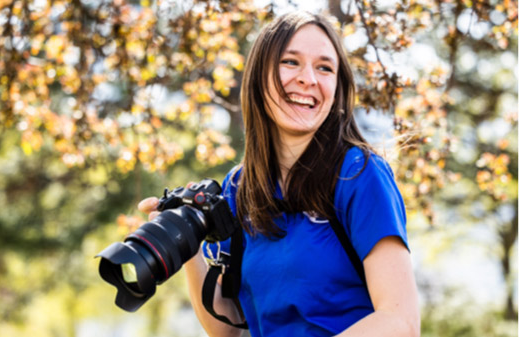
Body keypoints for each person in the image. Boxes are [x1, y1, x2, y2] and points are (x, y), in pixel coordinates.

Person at [138, 11, 420, 337]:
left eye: (324, 68)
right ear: (260, 76)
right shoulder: (239, 187)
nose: (308, 79)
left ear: (337, 90)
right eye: (290, 62)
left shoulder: (358, 173)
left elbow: (399, 322)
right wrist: (186, 244)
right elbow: (228, 327)